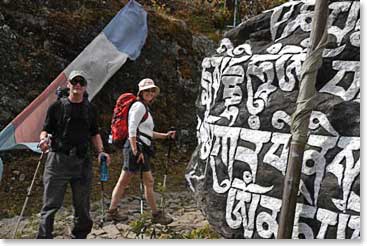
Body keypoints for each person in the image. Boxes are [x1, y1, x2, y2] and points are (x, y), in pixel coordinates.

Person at [36, 70, 110, 239]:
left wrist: (101, 152)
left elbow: (94, 133)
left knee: (82, 205)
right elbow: (46, 130)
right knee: (50, 205)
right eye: (74, 81)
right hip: (58, 160)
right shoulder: (56, 107)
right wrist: (44, 140)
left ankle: (80, 237)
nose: (77, 85)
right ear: (68, 84)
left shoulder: (90, 109)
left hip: (82, 161)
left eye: (81, 82)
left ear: (85, 86)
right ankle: (43, 238)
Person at [106, 78, 175, 225]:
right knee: (130, 181)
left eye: (152, 90)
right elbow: (132, 129)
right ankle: (155, 214)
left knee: (140, 181)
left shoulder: (143, 107)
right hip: (136, 149)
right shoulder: (139, 107)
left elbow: (147, 132)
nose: (150, 93)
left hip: (138, 148)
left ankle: (113, 211)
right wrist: (136, 150)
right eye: (147, 90)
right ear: (141, 92)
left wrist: (165, 136)